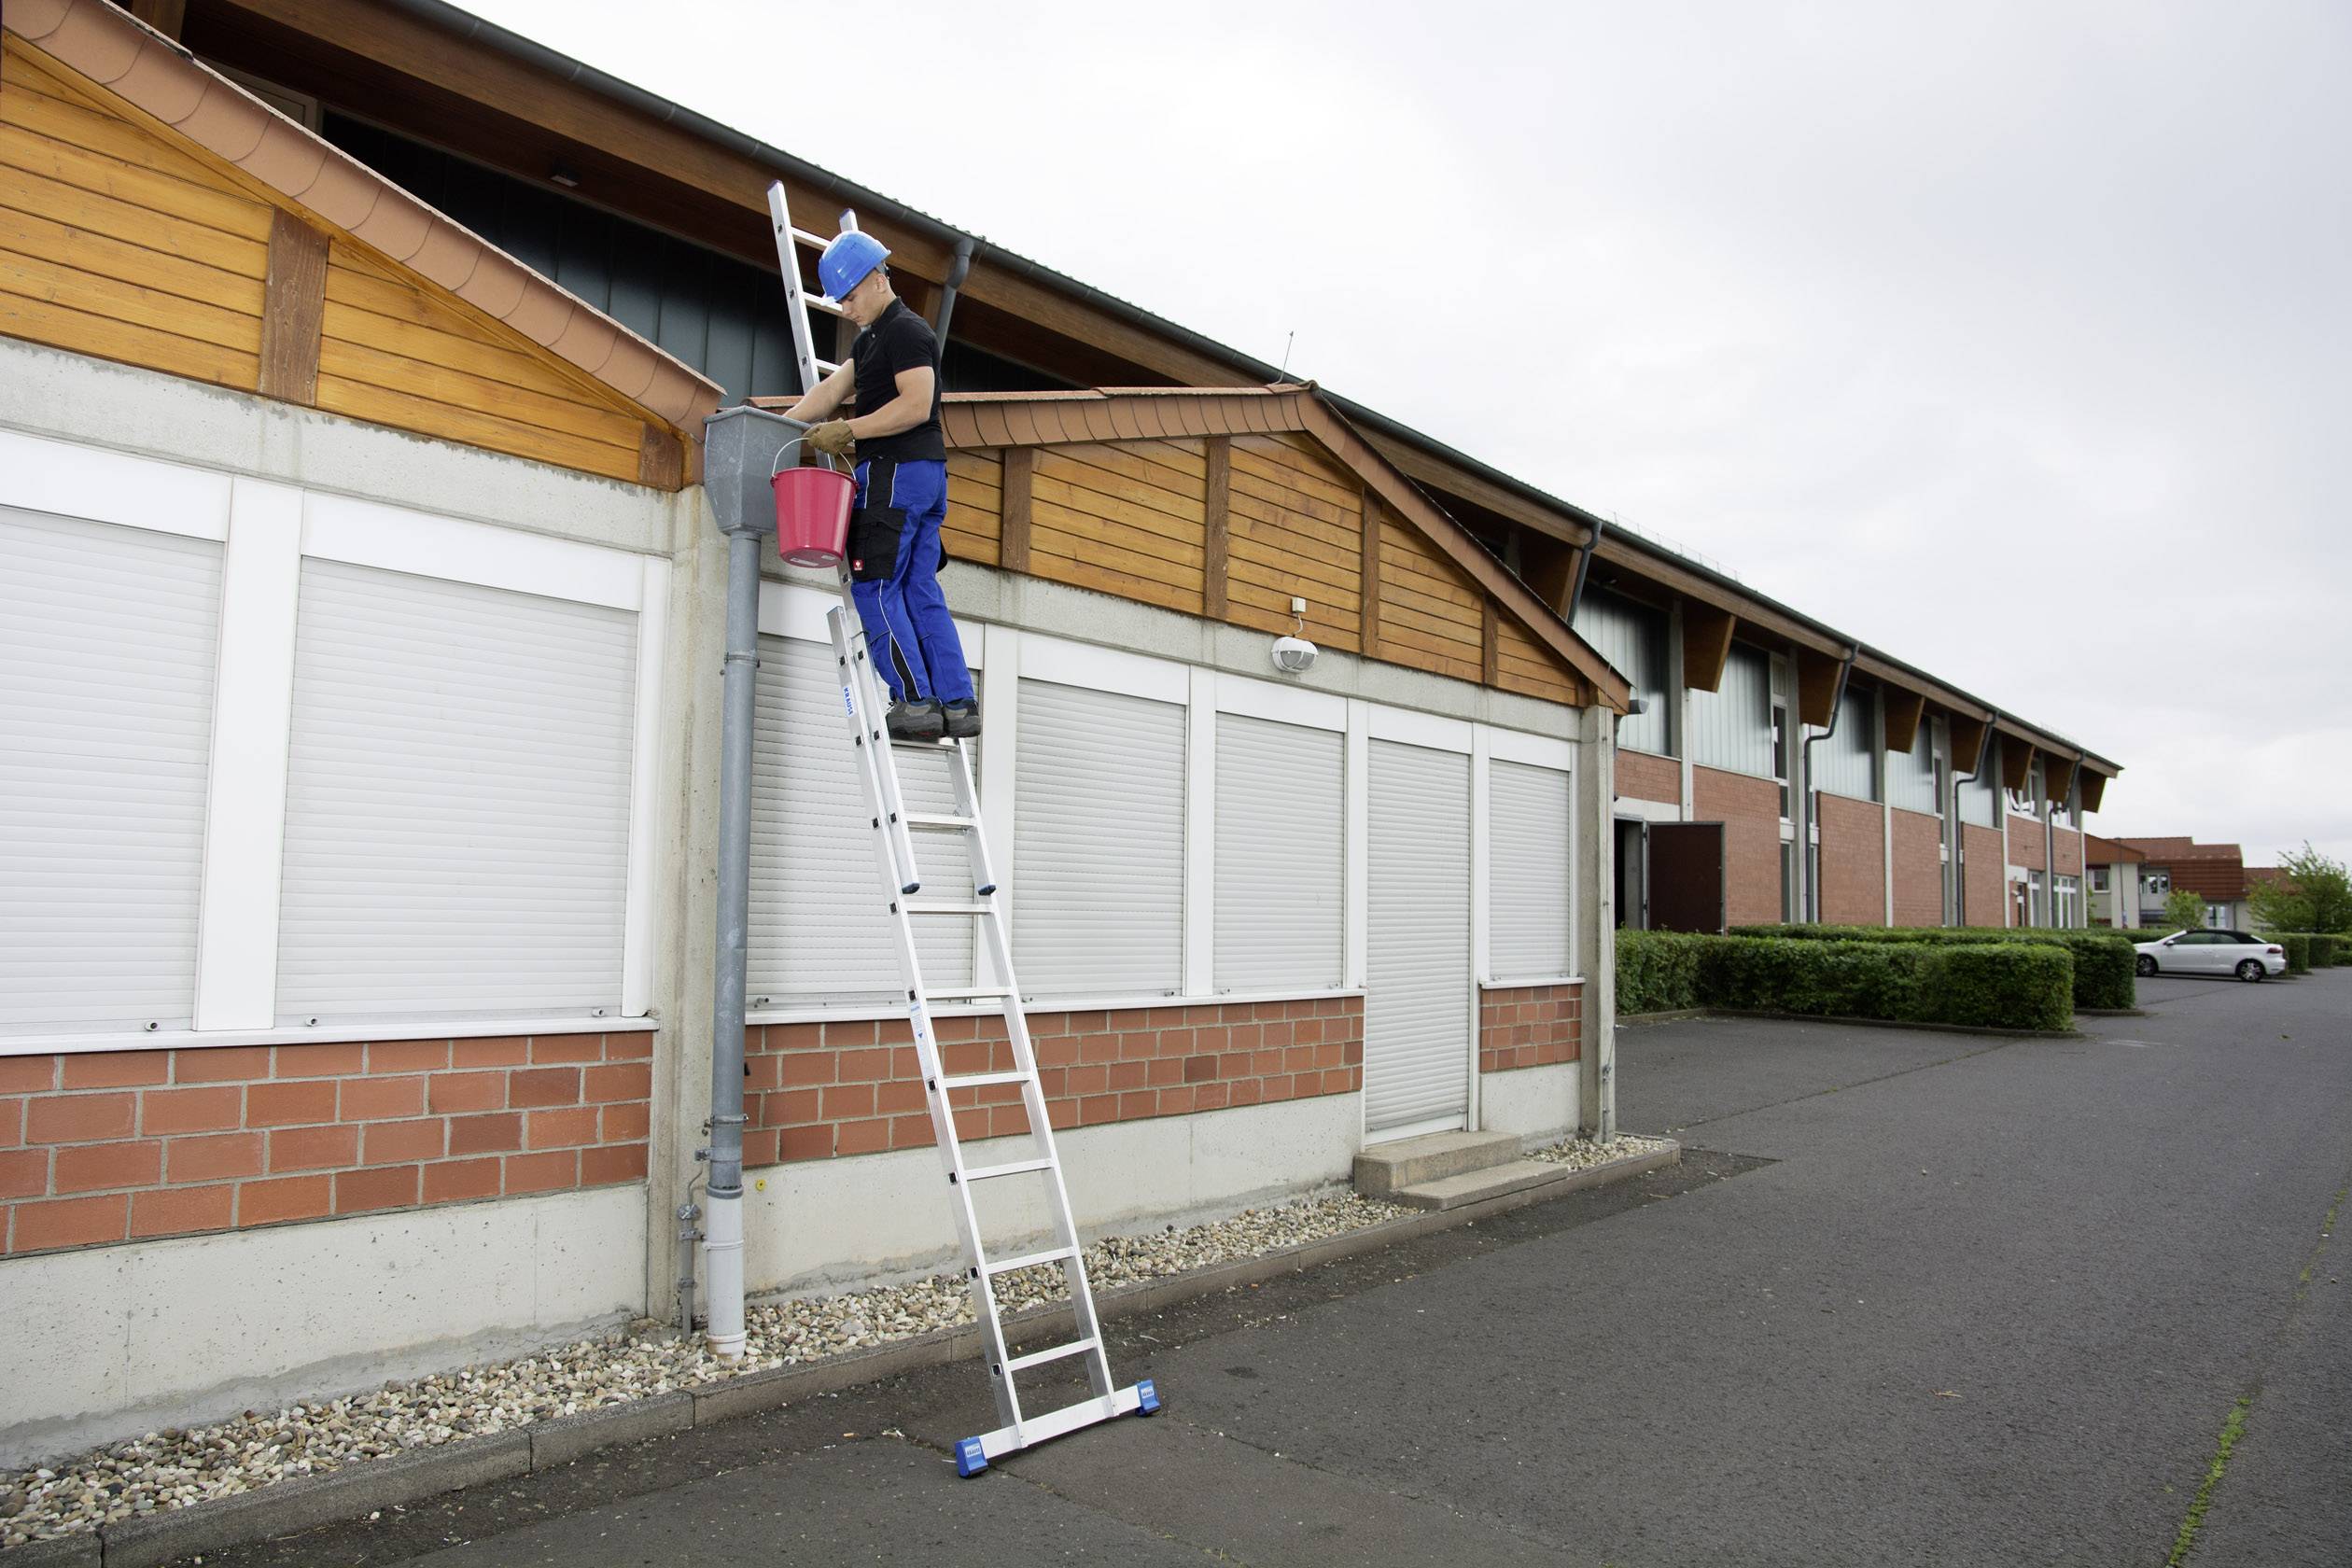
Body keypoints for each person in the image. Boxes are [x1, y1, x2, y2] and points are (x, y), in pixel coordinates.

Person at [782, 230, 978, 741]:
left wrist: (851, 429)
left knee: (875, 585)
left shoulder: (907, 332)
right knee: (917, 587)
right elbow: (830, 389)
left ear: (876, 279)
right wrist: (777, 427)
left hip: (895, 472)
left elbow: (916, 404)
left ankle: (914, 702)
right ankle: (957, 703)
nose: (845, 309)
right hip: (923, 477)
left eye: (848, 297)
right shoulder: (873, 340)